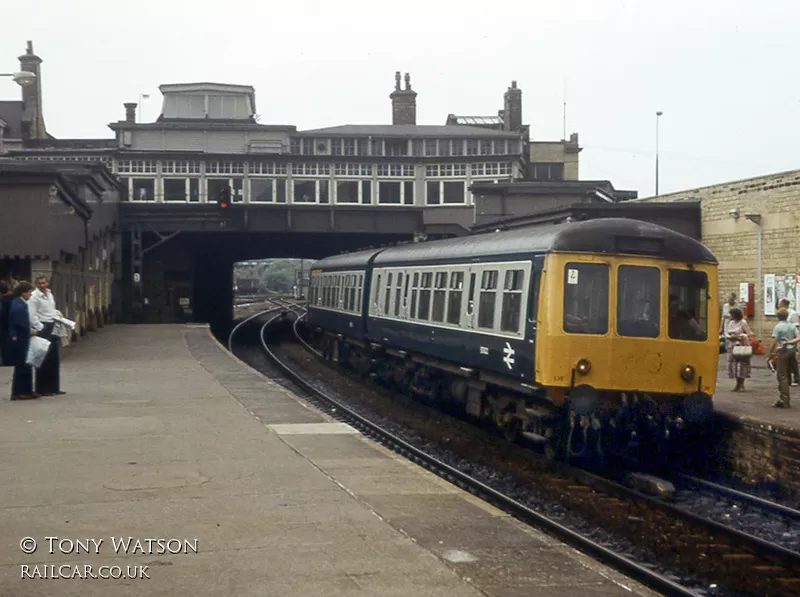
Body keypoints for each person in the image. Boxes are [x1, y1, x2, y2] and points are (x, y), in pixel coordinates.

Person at [28, 275, 66, 396]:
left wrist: (58, 314)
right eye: (39, 283)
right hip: (43, 326)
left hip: (52, 325)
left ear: (47, 283)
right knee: (44, 357)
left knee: (54, 357)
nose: (42, 285)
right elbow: (32, 315)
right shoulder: (34, 297)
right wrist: (40, 328)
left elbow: (51, 309)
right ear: (36, 284)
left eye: (44, 283)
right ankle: (43, 388)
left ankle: (54, 387)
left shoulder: (50, 294)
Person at [4, 281, 39, 400]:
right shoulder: (18, 305)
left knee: (26, 363)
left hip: (23, 336)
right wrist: (31, 330)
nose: (30, 294)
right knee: (22, 363)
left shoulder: (21, 303)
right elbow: (20, 322)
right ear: (23, 293)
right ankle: (18, 391)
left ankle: (27, 389)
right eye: (29, 292)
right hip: (20, 337)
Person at [768, 308, 800, 408]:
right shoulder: (792, 326)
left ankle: (784, 400)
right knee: (789, 372)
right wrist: (791, 342)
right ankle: (785, 395)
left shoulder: (778, 327)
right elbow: (798, 337)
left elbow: (774, 341)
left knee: (782, 375)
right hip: (792, 351)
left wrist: (770, 354)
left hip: (782, 350)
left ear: (778, 317)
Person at [725, 307, 753, 392]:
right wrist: (729, 336)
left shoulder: (743, 322)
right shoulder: (730, 323)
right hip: (732, 346)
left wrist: (740, 336)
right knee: (734, 365)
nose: (730, 316)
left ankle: (742, 384)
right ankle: (737, 383)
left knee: (741, 365)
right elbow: (726, 332)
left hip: (741, 345)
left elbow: (749, 333)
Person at [778, 298, 800, 385]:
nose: (778, 305)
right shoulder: (782, 313)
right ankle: (789, 379)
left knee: (792, 360)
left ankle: (796, 378)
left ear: (783, 304)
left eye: (779, 303)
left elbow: (796, 327)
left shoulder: (793, 313)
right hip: (784, 340)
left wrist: (794, 341)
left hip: (791, 340)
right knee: (788, 360)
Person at [0, 281, 13, 366]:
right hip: (11, 324)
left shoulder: (2, 300)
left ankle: (5, 360)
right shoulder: (14, 298)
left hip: (3, 325)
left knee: (4, 343)